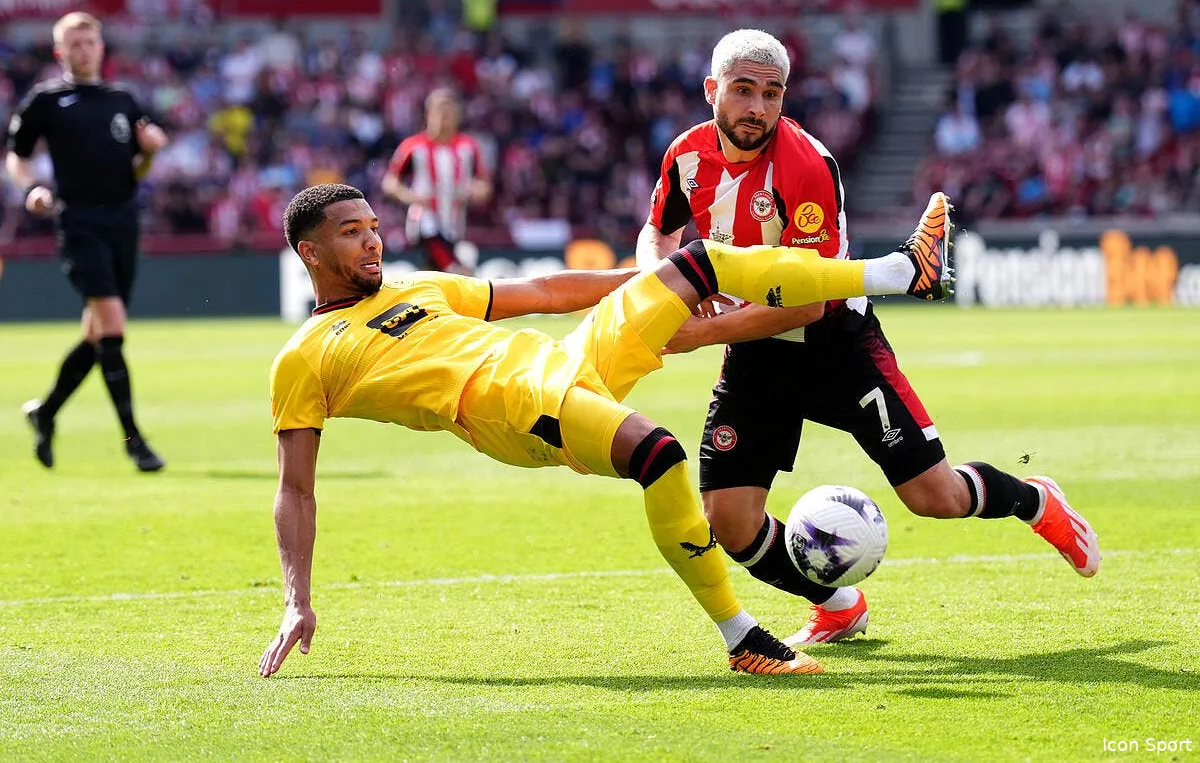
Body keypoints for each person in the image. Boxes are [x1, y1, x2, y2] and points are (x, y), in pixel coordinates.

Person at [257, 182, 951, 679]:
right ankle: (742, 638)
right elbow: (296, 490)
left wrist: (657, 281)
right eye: (351, 232)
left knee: (702, 258)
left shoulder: (416, 287)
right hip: (503, 404)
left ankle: (896, 271)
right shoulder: (304, 357)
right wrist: (297, 602)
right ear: (310, 252)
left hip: (562, 362)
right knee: (658, 454)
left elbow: (550, 294)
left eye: (373, 225)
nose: (372, 238)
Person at [635, 28, 1099, 648]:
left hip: (836, 345)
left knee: (935, 497)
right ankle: (837, 604)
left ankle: (1034, 499)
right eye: (743, 91)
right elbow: (658, 231)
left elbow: (805, 303)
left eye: (771, 94)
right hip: (754, 357)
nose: (757, 108)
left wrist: (698, 333)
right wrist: (657, 283)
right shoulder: (687, 155)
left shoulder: (806, 165)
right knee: (730, 521)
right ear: (710, 90)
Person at [6, 11, 168, 473]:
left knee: (98, 335)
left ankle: (46, 411)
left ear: (101, 47)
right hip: (77, 220)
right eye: (74, 44)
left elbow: (136, 171)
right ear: (61, 52)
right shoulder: (46, 100)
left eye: (90, 42)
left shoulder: (123, 100)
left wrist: (150, 154)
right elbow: (16, 158)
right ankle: (135, 442)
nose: (83, 50)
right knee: (113, 326)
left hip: (122, 220)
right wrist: (32, 188)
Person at [382, 88, 490, 274]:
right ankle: (459, 272)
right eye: (440, 112)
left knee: (437, 280)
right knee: (457, 270)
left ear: (458, 116)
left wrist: (476, 191)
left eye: (449, 113)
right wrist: (410, 196)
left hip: (454, 223)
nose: (444, 118)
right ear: (428, 114)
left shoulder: (468, 146)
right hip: (424, 220)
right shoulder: (413, 146)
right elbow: (390, 182)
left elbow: (484, 185)